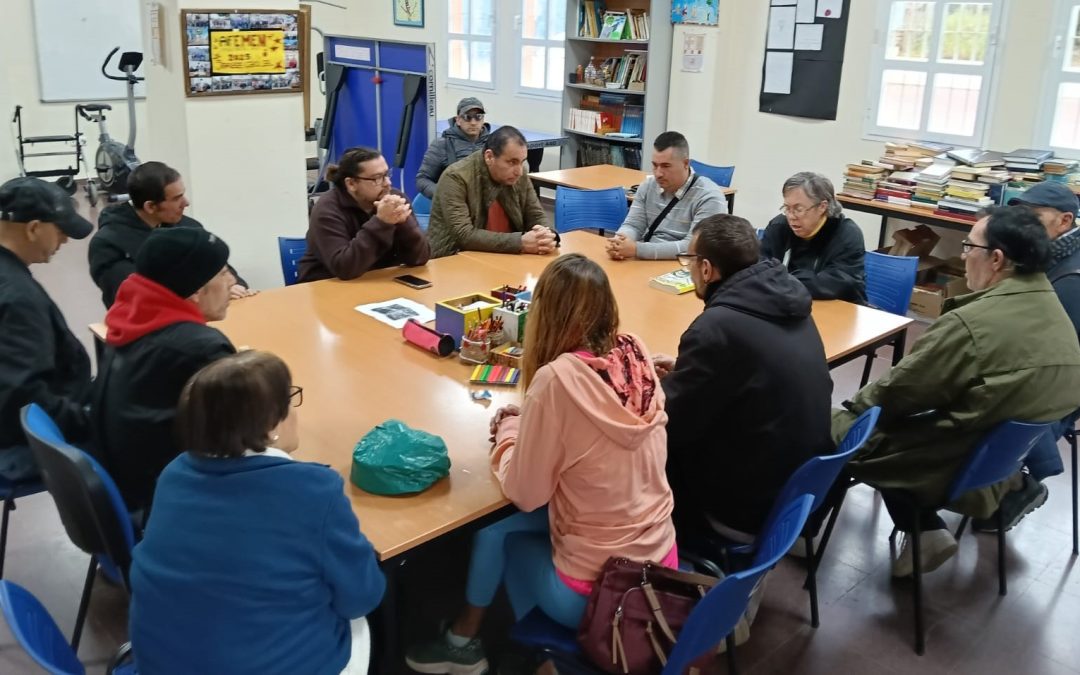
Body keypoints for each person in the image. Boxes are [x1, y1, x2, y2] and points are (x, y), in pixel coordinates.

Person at [405, 254, 676, 674]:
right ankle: (474, 640)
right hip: (662, 561)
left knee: (498, 532)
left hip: (600, 592)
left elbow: (526, 494)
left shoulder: (557, 379)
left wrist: (510, 433)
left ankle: (534, 657)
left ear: (545, 315)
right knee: (506, 525)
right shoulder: (635, 350)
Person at [832, 206, 1080, 578]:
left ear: (996, 259)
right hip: (993, 466)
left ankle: (799, 538)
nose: (963, 257)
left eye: (968, 247)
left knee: (831, 428)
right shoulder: (1056, 315)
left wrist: (852, 411)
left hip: (947, 464)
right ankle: (924, 531)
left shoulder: (971, 325)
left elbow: (897, 393)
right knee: (896, 427)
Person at [129, 351, 385, 675]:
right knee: (360, 623)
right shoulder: (313, 491)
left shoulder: (174, 475)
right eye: (291, 399)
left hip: (161, 663)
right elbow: (361, 597)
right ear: (271, 424)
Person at [653, 214, 834, 541]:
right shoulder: (787, 299)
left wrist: (643, 384)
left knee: (639, 452)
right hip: (797, 492)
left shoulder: (715, 328)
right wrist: (686, 370)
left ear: (706, 269)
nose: (689, 268)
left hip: (744, 507)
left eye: (690, 261)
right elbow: (746, 374)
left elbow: (668, 423)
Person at [93, 227, 237, 513]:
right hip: (174, 503)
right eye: (222, 273)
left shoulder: (129, 320)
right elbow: (240, 438)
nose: (233, 281)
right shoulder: (200, 349)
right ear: (196, 290)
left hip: (125, 488)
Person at [969, 184, 1080, 532]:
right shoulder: (1046, 256)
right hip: (1036, 367)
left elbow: (1049, 361)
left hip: (1060, 388)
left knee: (976, 399)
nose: (1023, 225)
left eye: (1034, 217)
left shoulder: (1071, 279)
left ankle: (1016, 481)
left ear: (1065, 221)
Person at [0, 177, 94, 479]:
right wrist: (88, 421)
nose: (65, 241)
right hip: (17, 443)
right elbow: (23, 396)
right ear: (33, 229)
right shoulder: (18, 298)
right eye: (60, 230)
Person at [88, 161, 253, 308]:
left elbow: (221, 268)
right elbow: (134, 300)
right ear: (150, 207)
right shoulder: (108, 244)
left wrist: (231, 286)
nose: (186, 203)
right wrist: (211, 293)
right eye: (177, 198)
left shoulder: (189, 228)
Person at [297, 146, 430, 282]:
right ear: (351, 184)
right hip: (328, 286)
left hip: (379, 282)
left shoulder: (394, 199)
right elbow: (344, 268)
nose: (387, 183)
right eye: (377, 178)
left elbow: (419, 259)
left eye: (387, 174)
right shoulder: (327, 209)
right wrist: (382, 222)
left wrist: (405, 224)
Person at [427, 125, 556, 258]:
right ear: (489, 157)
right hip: (454, 260)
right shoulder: (455, 178)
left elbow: (535, 214)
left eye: (522, 162)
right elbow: (464, 235)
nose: (519, 171)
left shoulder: (519, 176)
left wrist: (546, 234)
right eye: (512, 162)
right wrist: (520, 242)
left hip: (506, 257)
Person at [607, 131, 728, 261]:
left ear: (686, 164)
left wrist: (637, 249)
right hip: (645, 261)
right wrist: (620, 243)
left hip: (680, 268)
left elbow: (693, 248)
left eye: (666, 166)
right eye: (655, 165)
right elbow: (633, 225)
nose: (658, 173)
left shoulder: (710, 197)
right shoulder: (647, 186)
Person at [760, 172, 867, 304]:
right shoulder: (779, 226)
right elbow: (759, 266)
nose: (791, 216)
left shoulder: (846, 234)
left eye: (798, 209)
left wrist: (780, 280)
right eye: (787, 208)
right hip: (788, 302)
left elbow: (836, 284)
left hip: (837, 309)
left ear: (822, 206)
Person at [416, 97, 492, 200]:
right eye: (467, 117)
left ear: (483, 120)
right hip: (452, 208)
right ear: (458, 120)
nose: (473, 122)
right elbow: (422, 180)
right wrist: (446, 196)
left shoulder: (493, 144)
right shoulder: (442, 144)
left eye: (478, 116)